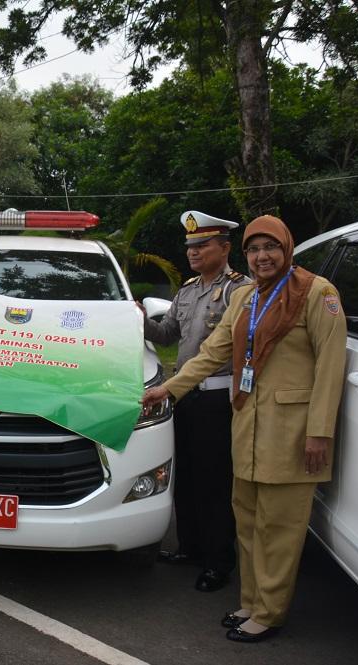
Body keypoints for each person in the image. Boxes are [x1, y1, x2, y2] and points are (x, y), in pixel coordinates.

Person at [141, 214, 347, 643]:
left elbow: (331, 367)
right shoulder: (247, 298)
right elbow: (210, 353)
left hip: (293, 432)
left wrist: (319, 432)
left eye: (269, 247)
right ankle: (252, 601)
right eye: (255, 249)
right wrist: (169, 390)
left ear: (286, 249)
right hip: (248, 424)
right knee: (249, 522)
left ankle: (270, 612)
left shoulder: (316, 293)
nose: (262, 256)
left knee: (280, 527)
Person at [143, 211, 251, 592]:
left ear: (224, 248)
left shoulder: (241, 290)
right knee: (186, 477)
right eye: (190, 246)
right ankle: (190, 547)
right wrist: (138, 319)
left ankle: (218, 561)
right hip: (183, 396)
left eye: (202, 245)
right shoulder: (187, 290)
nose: (194, 252)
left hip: (218, 398)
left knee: (214, 482)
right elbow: (167, 334)